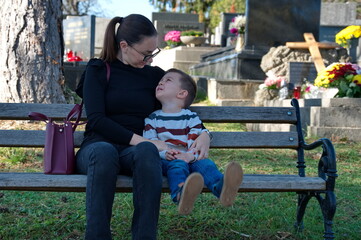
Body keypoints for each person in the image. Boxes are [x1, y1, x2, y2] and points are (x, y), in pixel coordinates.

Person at [75, 15, 211, 240]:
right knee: (105, 151)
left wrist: (205, 133)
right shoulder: (98, 70)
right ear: (124, 46)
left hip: (135, 154)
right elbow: (97, 119)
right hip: (96, 150)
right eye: (145, 54)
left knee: (148, 152)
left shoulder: (155, 76)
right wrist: (144, 141)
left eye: (153, 53)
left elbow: (180, 108)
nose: (149, 59)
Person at [143, 68, 244, 215]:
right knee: (178, 166)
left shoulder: (191, 118)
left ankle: (222, 189)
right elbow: (150, 142)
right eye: (161, 80)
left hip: (189, 157)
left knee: (206, 164)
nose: (161, 82)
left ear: (182, 93)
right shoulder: (152, 118)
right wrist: (166, 154)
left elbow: (195, 141)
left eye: (168, 80)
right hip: (167, 159)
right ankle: (181, 195)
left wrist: (191, 156)